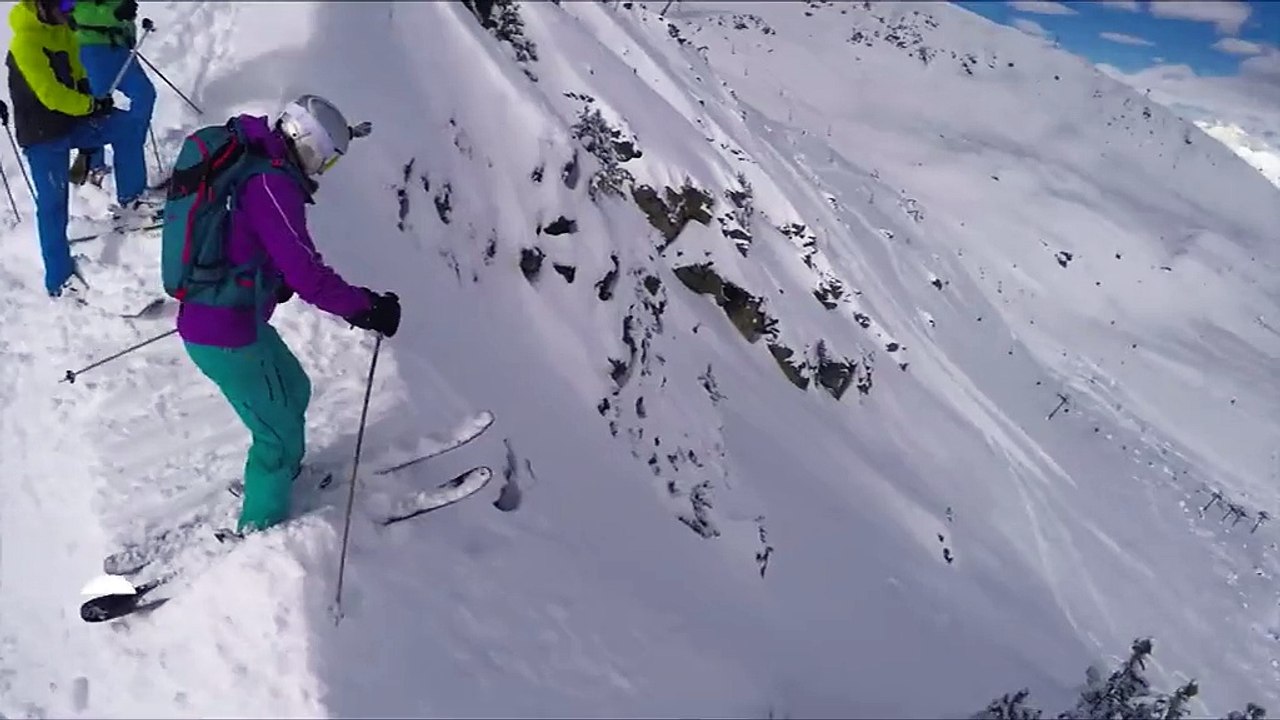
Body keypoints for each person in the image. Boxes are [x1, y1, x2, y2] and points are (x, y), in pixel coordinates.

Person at [175, 94, 401, 536]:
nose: (322, 170)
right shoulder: (271, 184)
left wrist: (267, 278)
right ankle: (262, 531)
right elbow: (308, 273)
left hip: (236, 318)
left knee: (293, 388)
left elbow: (252, 239)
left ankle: (281, 478)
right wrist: (366, 308)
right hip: (224, 330)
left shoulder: (256, 168)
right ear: (309, 145)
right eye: (325, 160)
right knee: (274, 434)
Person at [5, 0, 149, 296]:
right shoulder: (25, 42)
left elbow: (77, 71)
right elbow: (50, 94)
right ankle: (59, 280)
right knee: (53, 205)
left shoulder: (63, 30)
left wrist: (94, 100)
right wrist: (88, 105)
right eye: (64, 5)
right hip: (43, 135)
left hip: (72, 125)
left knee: (127, 126)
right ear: (43, 6)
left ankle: (131, 201)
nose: (71, 10)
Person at [67, 0, 155, 188]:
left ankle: (131, 149)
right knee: (97, 108)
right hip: (90, 47)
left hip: (119, 48)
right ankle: (94, 165)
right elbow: (73, 10)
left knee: (145, 94)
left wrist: (129, 31)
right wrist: (114, 15)